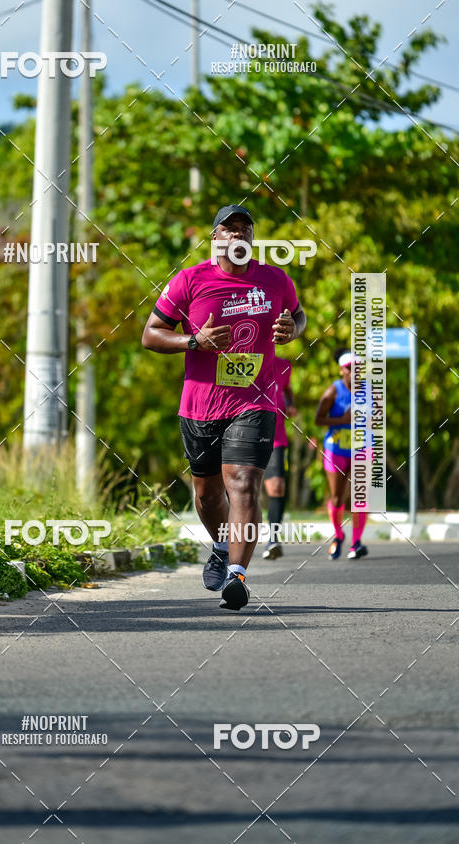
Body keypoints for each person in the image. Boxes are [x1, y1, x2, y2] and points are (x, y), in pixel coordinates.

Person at [141, 204, 306, 610]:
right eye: (228, 229)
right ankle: (219, 545)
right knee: (207, 496)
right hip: (200, 404)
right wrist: (194, 341)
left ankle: (237, 576)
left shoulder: (276, 279)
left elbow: (299, 316)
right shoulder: (188, 280)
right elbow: (150, 334)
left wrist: (291, 329)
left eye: (245, 229)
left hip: (255, 399)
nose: (237, 235)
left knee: (245, 482)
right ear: (214, 238)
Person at [315, 348, 368, 560]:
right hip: (336, 449)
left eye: (357, 368)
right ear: (341, 370)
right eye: (348, 368)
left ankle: (356, 543)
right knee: (337, 498)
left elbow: (376, 418)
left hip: (362, 447)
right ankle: (338, 536)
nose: (353, 372)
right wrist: (342, 421)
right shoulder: (332, 392)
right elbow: (318, 420)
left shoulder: (369, 391)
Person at [261, 356, 297, 560]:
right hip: (246, 435)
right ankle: (229, 543)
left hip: (276, 437)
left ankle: (273, 539)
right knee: (240, 487)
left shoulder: (284, 365)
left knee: (277, 486)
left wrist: (290, 404)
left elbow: (286, 389)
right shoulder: (245, 356)